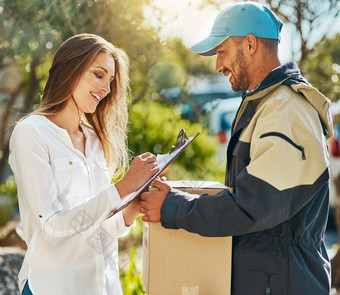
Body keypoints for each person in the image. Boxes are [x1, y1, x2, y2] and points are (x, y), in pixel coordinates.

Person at [140, 2, 333, 294]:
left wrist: (173, 207)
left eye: (221, 52)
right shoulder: (266, 104)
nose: (217, 66)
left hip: (283, 283)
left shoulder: (286, 111)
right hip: (271, 278)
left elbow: (253, 205)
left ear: (251, 44)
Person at [9, 33, 159, 295]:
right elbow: (53, 225)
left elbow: (101, 225)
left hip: (103, 287)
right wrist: (122, 187)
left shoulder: (94, 139)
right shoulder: (31, 133)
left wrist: (131, 207)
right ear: (70, 69)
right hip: (53, 288)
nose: (107, 89)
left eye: (111, 81)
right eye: (98, 75)